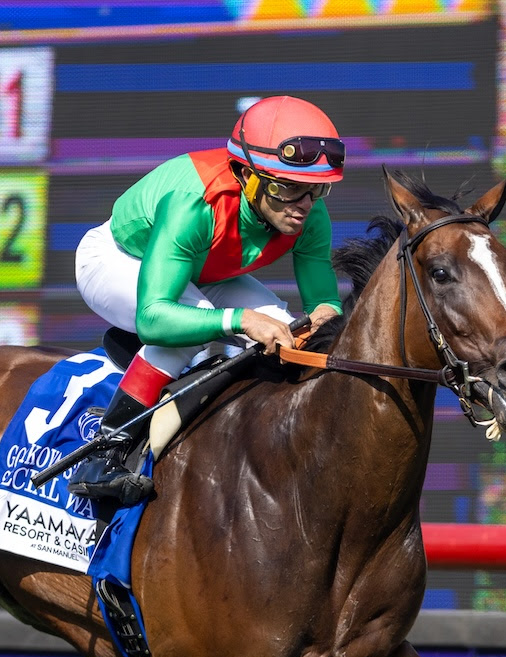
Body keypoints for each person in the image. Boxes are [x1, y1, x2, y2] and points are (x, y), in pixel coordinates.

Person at [69, 95, 347, 504]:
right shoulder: (193, 205)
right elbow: (152, 316)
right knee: (191, 330)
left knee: (286, 330)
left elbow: (324, 301)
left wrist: (326, 314)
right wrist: (239, 320)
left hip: (200, 271)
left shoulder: (309, 212)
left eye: (315, 189)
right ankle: (103, 458)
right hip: (117, 259)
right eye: (288, 187)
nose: (304, 205)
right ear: (245, 175)